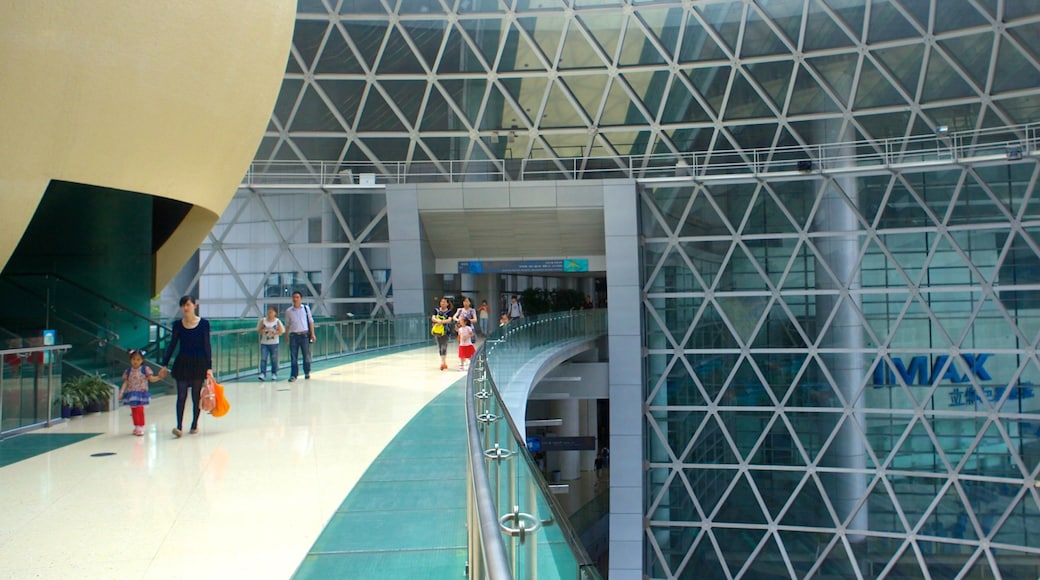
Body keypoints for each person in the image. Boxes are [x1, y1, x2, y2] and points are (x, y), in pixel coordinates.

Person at [159, 295, 213, 438]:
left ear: (195, 306)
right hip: (183, 362)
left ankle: (194, 423)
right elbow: (172, 344)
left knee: (196, 395)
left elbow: (207, 345)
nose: (185, 308)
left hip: (198, 362)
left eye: (188, 304)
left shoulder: (204, 324)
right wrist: (164, 364)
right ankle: (179, 426)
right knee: (181, 395)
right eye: (183, 305)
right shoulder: (178, 325)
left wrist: (209, 367)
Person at [119, 348, 160, 436]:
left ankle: (141, 426)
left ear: (142, 360)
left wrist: (159, 377)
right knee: (133, 410)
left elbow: (151, 379)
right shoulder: (128, 371)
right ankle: (136, 425)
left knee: (140, 410)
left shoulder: (145, 369)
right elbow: (126, 382)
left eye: (138, 359)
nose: (135, 361)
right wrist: (121, 392)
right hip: (131, 393)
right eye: (133, 359)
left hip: (141, 393)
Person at [284, 291, 316, 382]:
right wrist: (286, 336)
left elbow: (310, 321)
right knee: (293, 356)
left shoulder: (306, 309)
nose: (295, 299)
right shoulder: (289, 311)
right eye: (294, 297)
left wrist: (312, 333)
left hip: (304, 335)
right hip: (293, 335)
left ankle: (307, 372)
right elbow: (287, 324)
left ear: (301, 299)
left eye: (297, 297)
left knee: (306, 355)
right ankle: (294, 375)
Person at [257, 306, 285, 381]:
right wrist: (264, 331)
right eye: (269, 311)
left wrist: (274, 332)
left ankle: (274, 373)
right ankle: (263, 373)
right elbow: (258, 329)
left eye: (272, 311)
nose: (270, 313)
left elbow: (282, 331)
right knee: (263, 358)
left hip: (274, 343)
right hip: (264, 343)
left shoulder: (277, 321)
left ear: (275, 313)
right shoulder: (263, 321)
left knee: (274, 359)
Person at [431, 297, 453, 370]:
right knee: (440, 346)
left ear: (447, 303)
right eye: (441, 302)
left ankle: (443, 363)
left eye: (444, 302)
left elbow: (449, 320)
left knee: (444, 345)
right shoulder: (436, 310)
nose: (442, 303)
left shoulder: (449, 312)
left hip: (446, 331)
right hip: (437, 331)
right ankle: (443, 361)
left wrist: (441, 322)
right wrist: (438, 321)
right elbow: (433, 318)